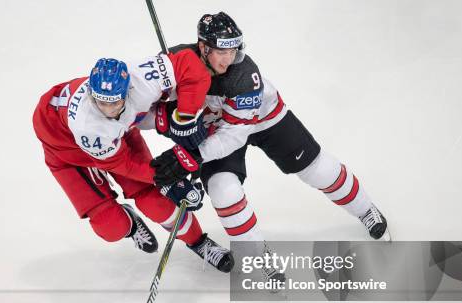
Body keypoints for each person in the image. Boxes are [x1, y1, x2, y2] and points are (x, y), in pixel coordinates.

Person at [151, 12, 391, 251]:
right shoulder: (175, 62)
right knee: (223, 189)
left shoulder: (244, 76)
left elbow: (235, 135)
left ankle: (364, 208)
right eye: (222, 52)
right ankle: (259, 255)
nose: (228, 59)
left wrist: (193, 155)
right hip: (217, 126)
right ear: (203, 48)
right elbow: (144, 103)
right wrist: (165, 114)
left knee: (317, 169)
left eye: (233, 51)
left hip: (262, 118)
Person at [33, 53, 234, 272]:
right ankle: (129, 223)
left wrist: (185, 117)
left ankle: (199, 242)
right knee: (111, 227)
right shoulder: (88, 125)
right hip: (65, 152)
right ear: (91, 94)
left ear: (127, 91)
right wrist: (170, 177)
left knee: (157, 203)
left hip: (115, 139)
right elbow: (124, 164)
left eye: (115, 102)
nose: (109, 111)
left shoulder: (141, 79)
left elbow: (189, 64)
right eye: (102, 102)